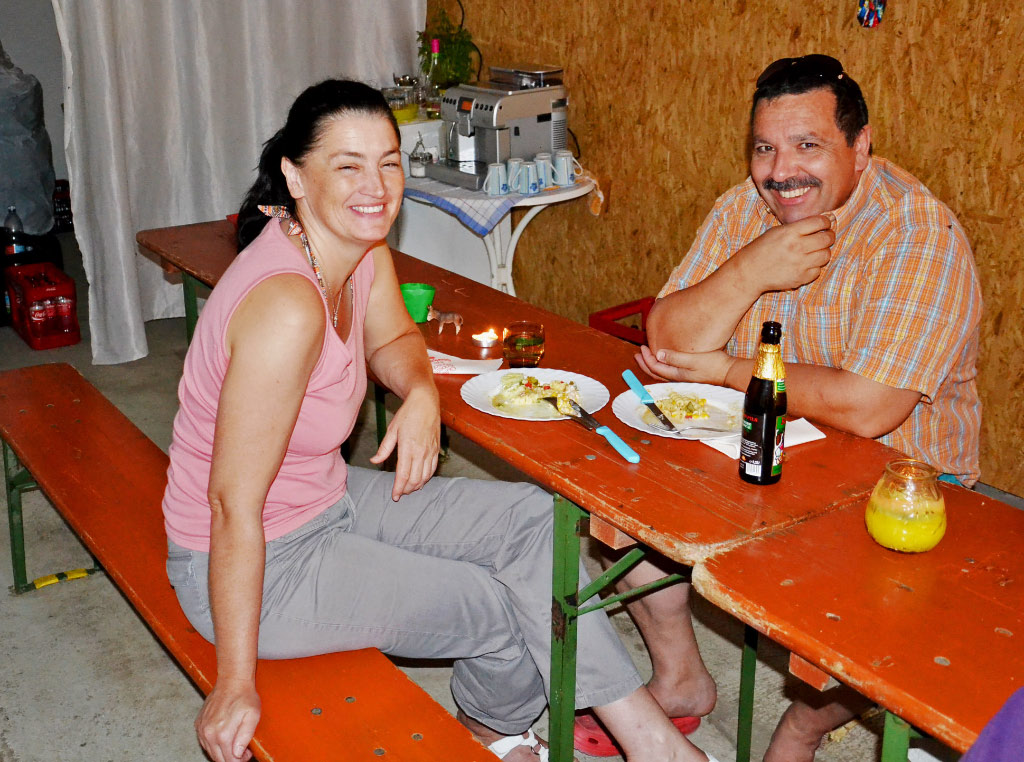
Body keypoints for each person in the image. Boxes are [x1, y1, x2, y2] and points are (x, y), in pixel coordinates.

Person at [160, 79, 722, 762]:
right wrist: (234, 682)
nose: (376, 187)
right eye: (348, 165)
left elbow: (396, 339)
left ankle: (607, 738)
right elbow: (230, 504)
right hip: (261, 563)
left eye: (388, 162)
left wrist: (421, 393)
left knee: (536, 525)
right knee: (502, 605)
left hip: (324, 500)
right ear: (295, 177)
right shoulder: (286, 307)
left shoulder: (358, 250)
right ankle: (517, 733)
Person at [605, 54, 981, 762]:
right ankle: (682, 676)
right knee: (617, 495)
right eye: (764, 148)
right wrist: (752, 268)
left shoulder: (917, 232)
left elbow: (869, 407)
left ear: (860, 146)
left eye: (807, 145)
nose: (781, 172)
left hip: (902, 484)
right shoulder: (744, 207)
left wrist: (728, 370)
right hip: (767, 451)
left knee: (867, 620)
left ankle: (803, 727)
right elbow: (668, 339)